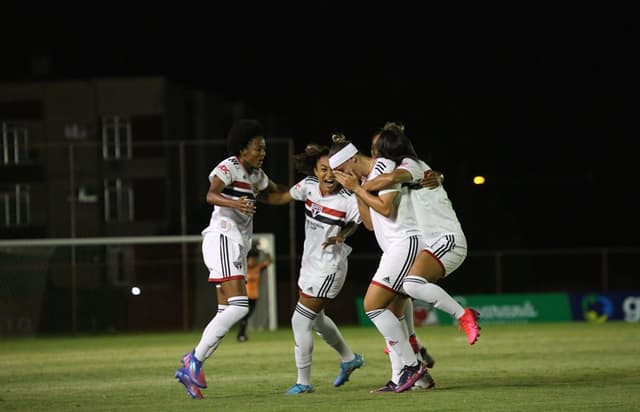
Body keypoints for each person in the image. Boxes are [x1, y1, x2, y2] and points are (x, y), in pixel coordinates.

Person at [174, 118, 285, 400]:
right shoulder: (229, 166)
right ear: (242, 149)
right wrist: (234, 202)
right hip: (223, 236)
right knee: (238, 308)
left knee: (227, 311)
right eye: (258, 148)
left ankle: (192, 368)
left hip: (235, 244)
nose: (263, 153)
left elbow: (274, 193)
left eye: (264, 149)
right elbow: (211, 194)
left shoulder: (257, 176)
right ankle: (193, 361)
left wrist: (308, 190)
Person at [330, 135, 430, 394]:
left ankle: (411, 366)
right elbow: (371, 223)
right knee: (393, 313)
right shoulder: (362, 182)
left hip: (406, 243)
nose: (341, 176)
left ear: (352, 159)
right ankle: (408, 377)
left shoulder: (382, 166)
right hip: (394, 248)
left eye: (341, 170)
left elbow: (387, 209)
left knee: (372, 305)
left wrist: (358, 189)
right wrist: (358, 190)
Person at [261, 142, 364, 395]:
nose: (329, 175)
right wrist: (253, 191)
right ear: (315, 171)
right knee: (316, 320)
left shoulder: (348, 199)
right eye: (323, 169)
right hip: (309, 265)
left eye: (334, 170)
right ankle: (349, 358)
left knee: (300, 320)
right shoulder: (307, 187)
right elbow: (282, 196)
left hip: (330, 267)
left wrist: (344, 234)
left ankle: (304, 383)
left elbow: (357, 222)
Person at [236, 240, 272, 342]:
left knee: (247, 316)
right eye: (251, 259)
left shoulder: (258, 268)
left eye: (254, 259)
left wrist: (265, 251)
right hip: (245, 295)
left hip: (254, 296)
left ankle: (241, 335)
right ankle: (241, 335)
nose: (253, 261)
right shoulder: (244, 268)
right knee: (244, 315)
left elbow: (269, 261)